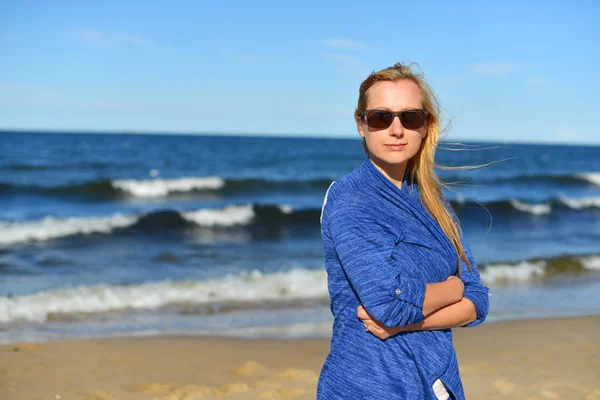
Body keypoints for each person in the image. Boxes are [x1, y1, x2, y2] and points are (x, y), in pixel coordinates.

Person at [316, 63, 490, 400]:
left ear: (425, 126)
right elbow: (388, 304)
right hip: (369, 383)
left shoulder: (432, 199)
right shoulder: (352, 200)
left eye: (409, 118)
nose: (396, 130)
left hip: (438, 382)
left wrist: (410, 322)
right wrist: (453, 288)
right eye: (381, 118)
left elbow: (478, 301)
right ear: (361, 125)